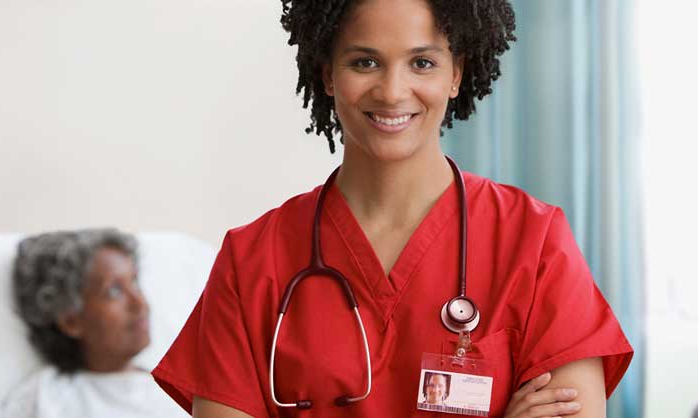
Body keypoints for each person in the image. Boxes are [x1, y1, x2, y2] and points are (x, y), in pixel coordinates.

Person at [151, 0, 634, 417]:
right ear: (328, 75)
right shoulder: (252, 260)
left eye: (421, 63)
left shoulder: (533, 241)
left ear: (456, 74)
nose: (392, 91)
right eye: (365, 62)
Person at [0, 228, 173, 418]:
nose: (140, 304)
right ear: (71, 321)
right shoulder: (44, 399)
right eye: (114, 291)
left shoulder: (181, 394)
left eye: (134, 282)